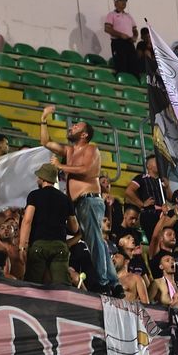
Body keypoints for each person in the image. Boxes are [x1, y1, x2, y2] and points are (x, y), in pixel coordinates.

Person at [40, 105, 123, 296]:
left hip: (89, 200)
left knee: (95, 241)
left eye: (76, 126)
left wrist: (61, 166)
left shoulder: (91, 149)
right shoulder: (69, 151)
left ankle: (104, 282)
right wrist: (44, 119)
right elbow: (45, 141)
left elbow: (88, 171)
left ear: (85, 135)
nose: (72, 127)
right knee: (96, 242)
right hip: (77, 203)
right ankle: (115, 283)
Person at [19, 163, 79, 285]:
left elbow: (27, 221)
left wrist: (22, 246)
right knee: (62, 287)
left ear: (42, 178)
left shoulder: (35, 195)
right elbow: (74, 227)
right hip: (60, 246)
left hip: (39, 245)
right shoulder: (65, 198)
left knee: (32, 285)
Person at [104, 0, 140, 77]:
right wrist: (120, 35)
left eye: (125, 1)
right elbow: (107, 29)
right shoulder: (111, 15)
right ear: (115, 3)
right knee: (121, 65)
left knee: (133, 65)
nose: (124, 2)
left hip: (129, 43)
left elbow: (135, 29)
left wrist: (134, 37)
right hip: (118, 42)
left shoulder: (129, 16)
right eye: (121, 0)